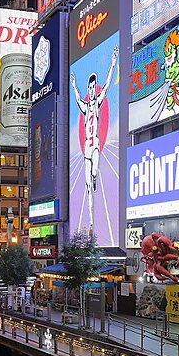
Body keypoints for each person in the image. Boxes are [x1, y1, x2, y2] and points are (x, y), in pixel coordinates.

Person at [70, 44, 118, 232]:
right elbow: (76, 99)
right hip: (86, 150)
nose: (91, 90)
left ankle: (96, 177)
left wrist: (113, 63)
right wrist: (74, 85)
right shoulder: (85, 105)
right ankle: (90, 221)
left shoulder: (97, 103)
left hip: (95, 144)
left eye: (92, 87)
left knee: (95, 172)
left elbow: (106, 85)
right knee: (88, 184)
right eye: (89, 87)